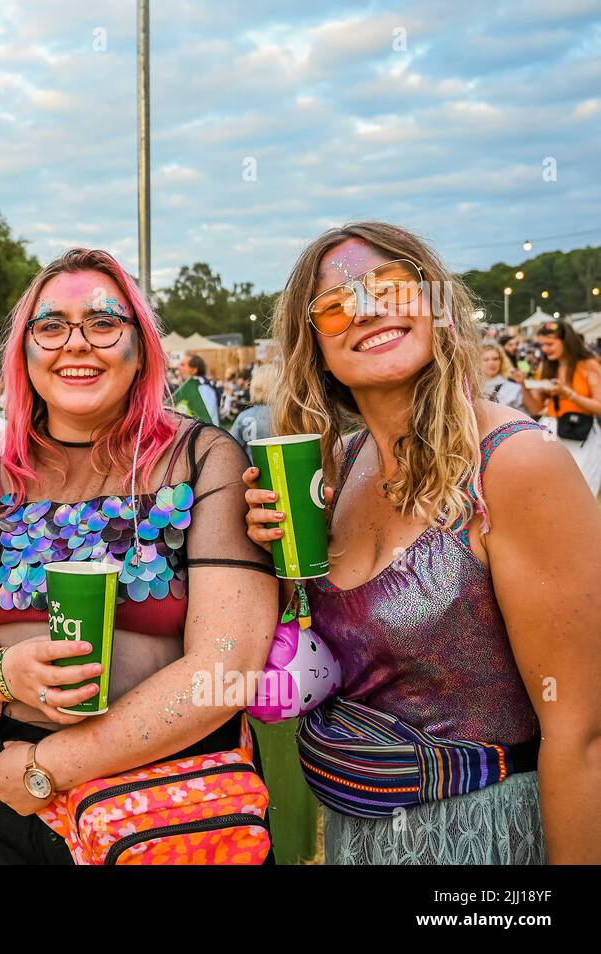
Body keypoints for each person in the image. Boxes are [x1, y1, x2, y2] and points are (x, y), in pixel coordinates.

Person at [0, 248, 278, 864]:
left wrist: (51, 766)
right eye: (50, 326)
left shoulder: (203, 460)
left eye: (104, 323)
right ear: (23, 352)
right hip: (6, 798)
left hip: (170, 800)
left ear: (141, 347)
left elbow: (225, 669)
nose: (76, 344)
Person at [244, 222, 601, 864]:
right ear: (314, 349)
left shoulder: (514, 463)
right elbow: (334, 663)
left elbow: (585, 736)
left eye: (390, 286)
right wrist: (267, 564)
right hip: (359, 843)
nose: (370, 310)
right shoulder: (340, 468)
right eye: (334, 307)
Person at [514, 319, 601, 495]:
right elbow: (536, 409)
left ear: (565, 341)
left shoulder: (588, 364)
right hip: (550, 430)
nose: (545, 349)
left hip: (581, 432)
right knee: (550, 488)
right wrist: (523, 385)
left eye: (550, 344)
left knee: (581, 491)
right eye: (541, 345)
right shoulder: (546, 366)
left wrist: (568, 393)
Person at [230, 364, 278, 462]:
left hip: (252, 473)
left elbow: (232, 450)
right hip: (282, 472)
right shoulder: (288, 416)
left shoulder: (244, 417)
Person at [177, 352, 220, 425]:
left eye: (183, 365)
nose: (178, 367)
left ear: (194, 370)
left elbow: (207, 418)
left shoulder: (203, 388)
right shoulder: (189, 386)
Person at [481, 344, 523, 410]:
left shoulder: (513, 388)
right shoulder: (471, 388)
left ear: (501, 361)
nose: (491, 363)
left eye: (495, 359)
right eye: (486, 359)